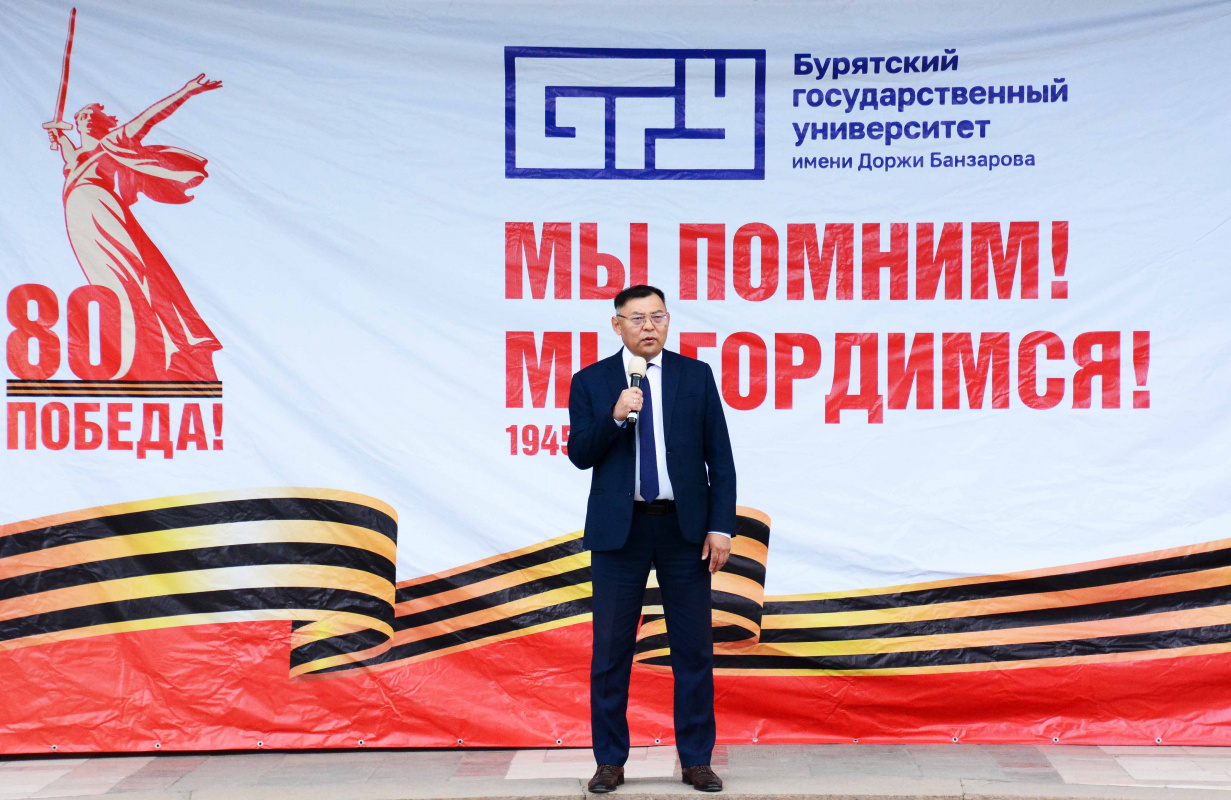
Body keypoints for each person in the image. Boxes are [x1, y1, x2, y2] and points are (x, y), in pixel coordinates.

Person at [568, 285, 737, 793]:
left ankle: (696, 760)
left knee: (693, 649)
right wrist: (616, 415)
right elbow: (580, 454)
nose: (649, 326)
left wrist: (720, 525)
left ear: (668, 321)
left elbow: (720, 458)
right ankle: (610, 761)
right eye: (637, 317)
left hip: (684, 529)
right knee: (611, 651)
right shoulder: (591, 381)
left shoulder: (695, 375)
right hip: (621, 532)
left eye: (658, 316)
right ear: (616, 324)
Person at [44, 74, 223, 381]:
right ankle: (140, 347)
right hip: (80, 218)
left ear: (100, 122)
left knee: (132, 273)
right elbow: (68, 152)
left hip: (102, 210)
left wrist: (185, 91)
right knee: (106, 279)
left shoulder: (113, 142)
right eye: (81, 115)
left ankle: (169, 344)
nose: (84, 117)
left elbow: (149, 117)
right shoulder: (76, 159)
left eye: (90, 114)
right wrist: (58, 135)